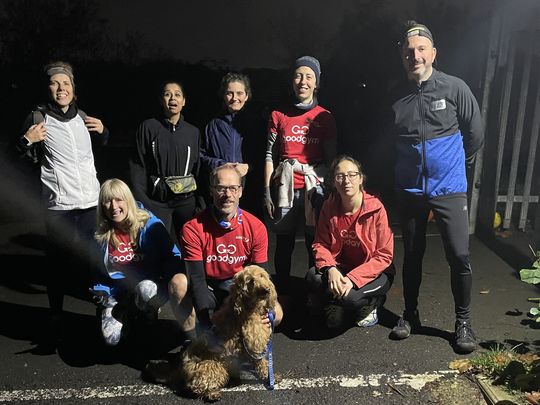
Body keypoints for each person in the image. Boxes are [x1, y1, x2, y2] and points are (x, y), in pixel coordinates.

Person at [389, 21, 484, 353]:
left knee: (458, 255)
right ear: (402, 56)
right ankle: (410, 314)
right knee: (412, 255)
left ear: (433, 53)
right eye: (408, 50)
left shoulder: (454, 87)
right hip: (411, 190)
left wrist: (456, 164)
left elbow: (475, 133)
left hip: (450, 188)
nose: (414, 55)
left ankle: (463, 322)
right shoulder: (395, 96)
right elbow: (387, 142)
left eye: (420, 49)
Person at [15, 61, 109, 330]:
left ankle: (103, 312)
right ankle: (56, 315)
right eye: (55, 83)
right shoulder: (38, 117)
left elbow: (99, 147)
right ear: (47, 88)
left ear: (73, 88)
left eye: (65, 83)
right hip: (59, 206)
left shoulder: (82, 116)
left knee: (96, 260)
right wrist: (26, 141)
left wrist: (105, 132)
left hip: (91, 202)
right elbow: (16, 156)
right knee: (58, 264)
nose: (61, 88)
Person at [169, 164, 283, 343]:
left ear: (240, 192)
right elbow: (197, 280)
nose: (227, 195)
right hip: (208, 286)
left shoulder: (256, 227)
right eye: (221, 188)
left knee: (276, 313)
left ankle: (250, 349)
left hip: (237, 287)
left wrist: (264, 309)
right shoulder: (192, 228)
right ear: (212, 191)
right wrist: (207, 325)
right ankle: (196, 342)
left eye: (233, 188)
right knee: (178, 283)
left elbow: (261, 274)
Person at [263, 55, 337, 294]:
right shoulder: (278, 114)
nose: (303, 81)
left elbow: (331, 160)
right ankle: (281, 294)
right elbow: (269, 156)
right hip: (284, 188)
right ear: (292, 80)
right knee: (283, 244)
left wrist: (330, 192)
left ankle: (311, 294)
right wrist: (266, 192)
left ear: (316, 83)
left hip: (313, 189)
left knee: (312, 244)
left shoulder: (325, 117)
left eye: (309, 76)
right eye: (298, 75)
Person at [307, 156, 394, 330]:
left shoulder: (376, 209)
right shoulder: (329, 207)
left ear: (361, 179)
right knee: (312, 278)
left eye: (352, 175)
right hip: (342, 268)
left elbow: (384, 256)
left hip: (374, 273)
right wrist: (330, 268)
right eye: (340, 176)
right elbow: (320, 244)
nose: (346, 180)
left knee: (350, 298)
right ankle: (337, 304)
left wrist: (353, 280)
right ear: (334, 181)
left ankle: (373, 303)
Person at [91, 178, 182, 346]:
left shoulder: (149, 225)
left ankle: (146, 312)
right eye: (107, 201)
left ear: (128, 200)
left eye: (119, 199)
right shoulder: (101, 232)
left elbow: (173, 255)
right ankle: (124, 311)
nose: (113, 206)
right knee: (111, 340)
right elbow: (98, 270)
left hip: (148, 285)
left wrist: (168, 283)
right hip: (118, 291)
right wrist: (103, 294)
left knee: (146, 290)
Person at [130, 80, 202, 244]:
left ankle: (187, 272)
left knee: (190, 246)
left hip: (186, 202)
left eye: (177, 95)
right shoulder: (148, 127)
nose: (172, 98)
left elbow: (199, 169)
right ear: (161, 100)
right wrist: (143, 202)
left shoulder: (193, 132)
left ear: (184, 101)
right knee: (157, 246)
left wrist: (200, 204)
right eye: (167, 94)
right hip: (157, 202)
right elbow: (137, 166)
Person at [200, 72, 266, 219]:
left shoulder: (258, 125)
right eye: (230, 93)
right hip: (223, 193)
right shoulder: (213, 125)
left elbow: (267, 156)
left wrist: (249, 167)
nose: (235, 98)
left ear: (247, 96)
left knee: (249, 234)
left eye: (239, 93)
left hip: (251, 191)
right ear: (224, 96)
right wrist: (223, 165)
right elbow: (201, 157)